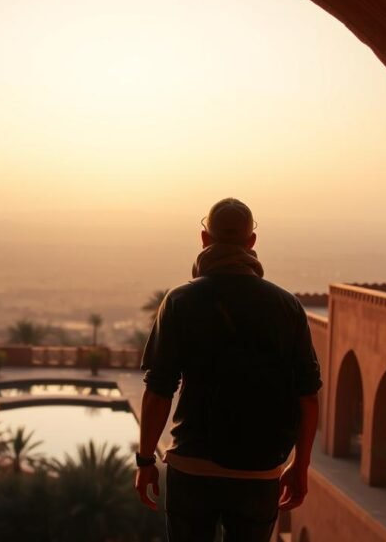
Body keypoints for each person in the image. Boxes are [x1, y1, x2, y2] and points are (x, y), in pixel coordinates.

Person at [133, 198, 322, 542]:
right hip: (259, 470)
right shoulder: (287, 306)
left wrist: (146, 461)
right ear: (252, 242)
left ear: (204, 239)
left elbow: (159, 390)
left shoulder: (180, 301)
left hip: (192, 467)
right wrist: (301, 465)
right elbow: (308, 396)